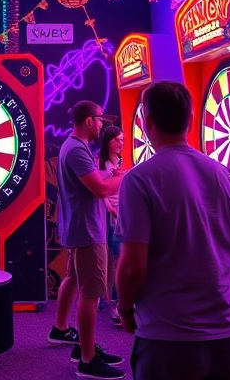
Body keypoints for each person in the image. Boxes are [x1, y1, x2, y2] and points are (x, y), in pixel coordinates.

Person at [115, 82, 230, 380]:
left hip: (168, 339)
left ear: (147, 121)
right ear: (190, 119)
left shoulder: (139, 180)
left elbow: (131, 268)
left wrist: (125, 309)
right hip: (229, 337)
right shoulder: (228, 176)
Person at [49, 100, 126, 379]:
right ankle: (87, 359)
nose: (103, 124)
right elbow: (101, 189)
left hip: (79, 228)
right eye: (100, 120)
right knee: (91, 294)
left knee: (77, 281)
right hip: (88, 231)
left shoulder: (74, 146)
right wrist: (128, 176)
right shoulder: (77, 150)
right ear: (88, 121)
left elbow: (96, 183)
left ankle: (79, 342)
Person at [98, 125, 124, 327]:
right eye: (118, 140)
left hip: (123, 217)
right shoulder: (101, 163)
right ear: (109, 141)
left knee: (120, 260)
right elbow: (99, 192)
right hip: (111, 219)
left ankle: (114, 301)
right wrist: (110, 209)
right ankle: (115, 303)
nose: (122, 143)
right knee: (120, 258)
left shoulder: (120, 162)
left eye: (122, 139)